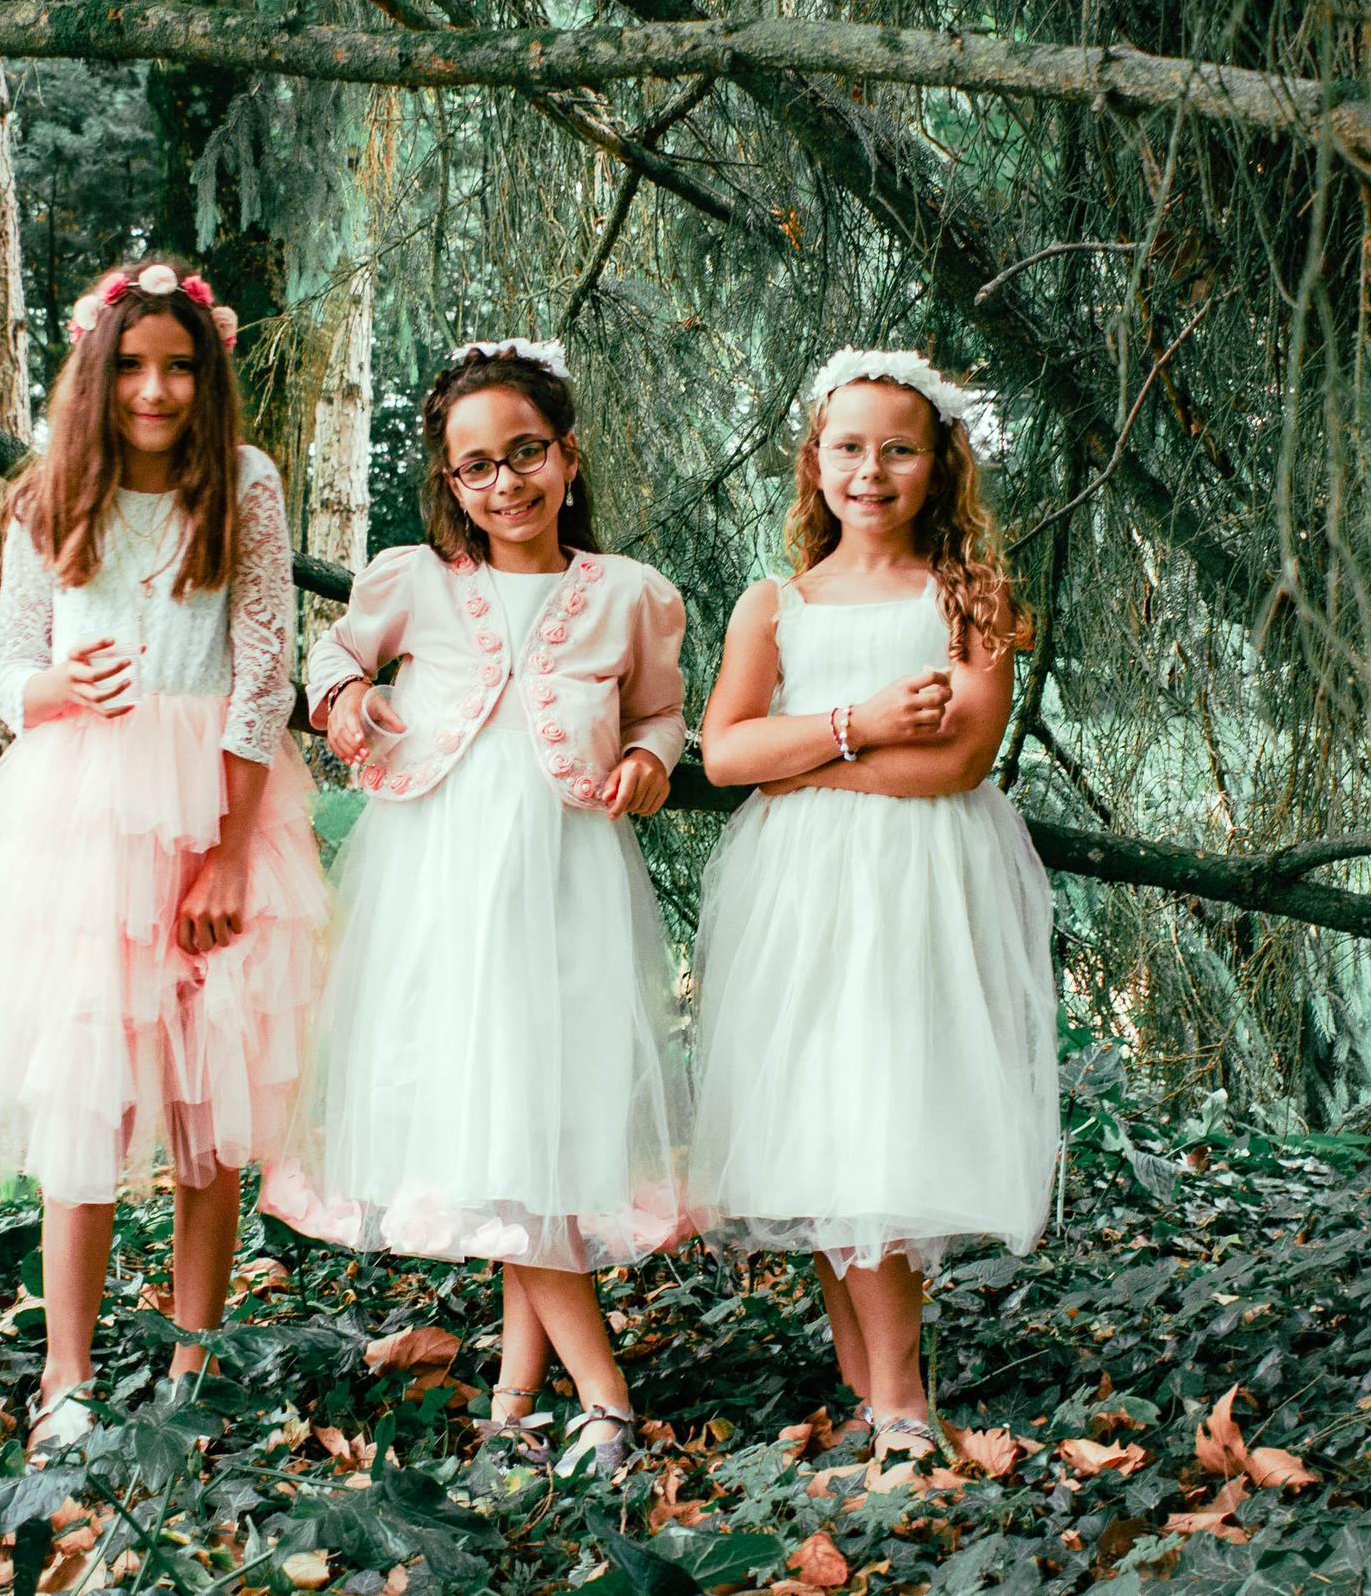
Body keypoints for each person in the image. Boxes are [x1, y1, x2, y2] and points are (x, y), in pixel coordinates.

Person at [259, 337, 692, 1477]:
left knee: (534, 1116)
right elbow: (330, 661)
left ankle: (517, 1390)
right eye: (475, 468)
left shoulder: (631, 597)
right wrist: (347, 696)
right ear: (447, 482)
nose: (504, 485)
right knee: (493, 1108)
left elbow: (658, 718)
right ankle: (594, 1394)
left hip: (564, 883)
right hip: (441, 886)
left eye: (525, 455)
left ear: (567, 455)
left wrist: (649, 761)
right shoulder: (413, 581)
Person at [0, 259, 327, 1454]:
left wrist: (222, 857)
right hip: (86, 817)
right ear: (94, 371)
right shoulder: (51, 495)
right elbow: (13, 674)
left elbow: (264, 669)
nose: (155, 390)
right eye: (130, 366)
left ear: (207, 372)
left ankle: (190, 1365)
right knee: (86, 1090)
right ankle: (67, 1376)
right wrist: (58, 686)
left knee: (202, 1096)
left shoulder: (247, 484)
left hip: (220, 801)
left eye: (178, 366)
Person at [689, 348, 1058, 1458]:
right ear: (814, 461)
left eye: (898, 448)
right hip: (798, 895)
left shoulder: (969, 599)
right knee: (819, 1113)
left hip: (921, 884)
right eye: (848, 447)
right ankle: (872, 1388)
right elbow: (721, 752)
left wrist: (802, 763)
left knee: (885, 1113)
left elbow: (956, 761)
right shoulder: (777, 605)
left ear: (938, 466)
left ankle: (898, 1399)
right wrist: (859, 725)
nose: (871, 469)